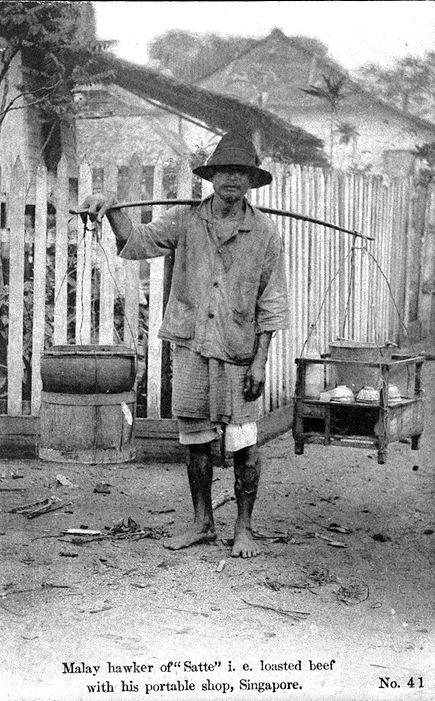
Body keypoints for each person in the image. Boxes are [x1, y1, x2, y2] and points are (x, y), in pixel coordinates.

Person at [81, 132, 289, 558]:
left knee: (244, 441)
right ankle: (202, 522)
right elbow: (134, 244)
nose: (232, 179)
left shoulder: (265, 232)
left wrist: (261, 362)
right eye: (225, 171)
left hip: (239, 350)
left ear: (251, 180)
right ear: (212, 177)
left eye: (241, 172)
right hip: (192, 344)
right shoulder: (185, 220)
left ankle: (244, 529)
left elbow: (272, 302)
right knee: (194, 438)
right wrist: (111, 209)